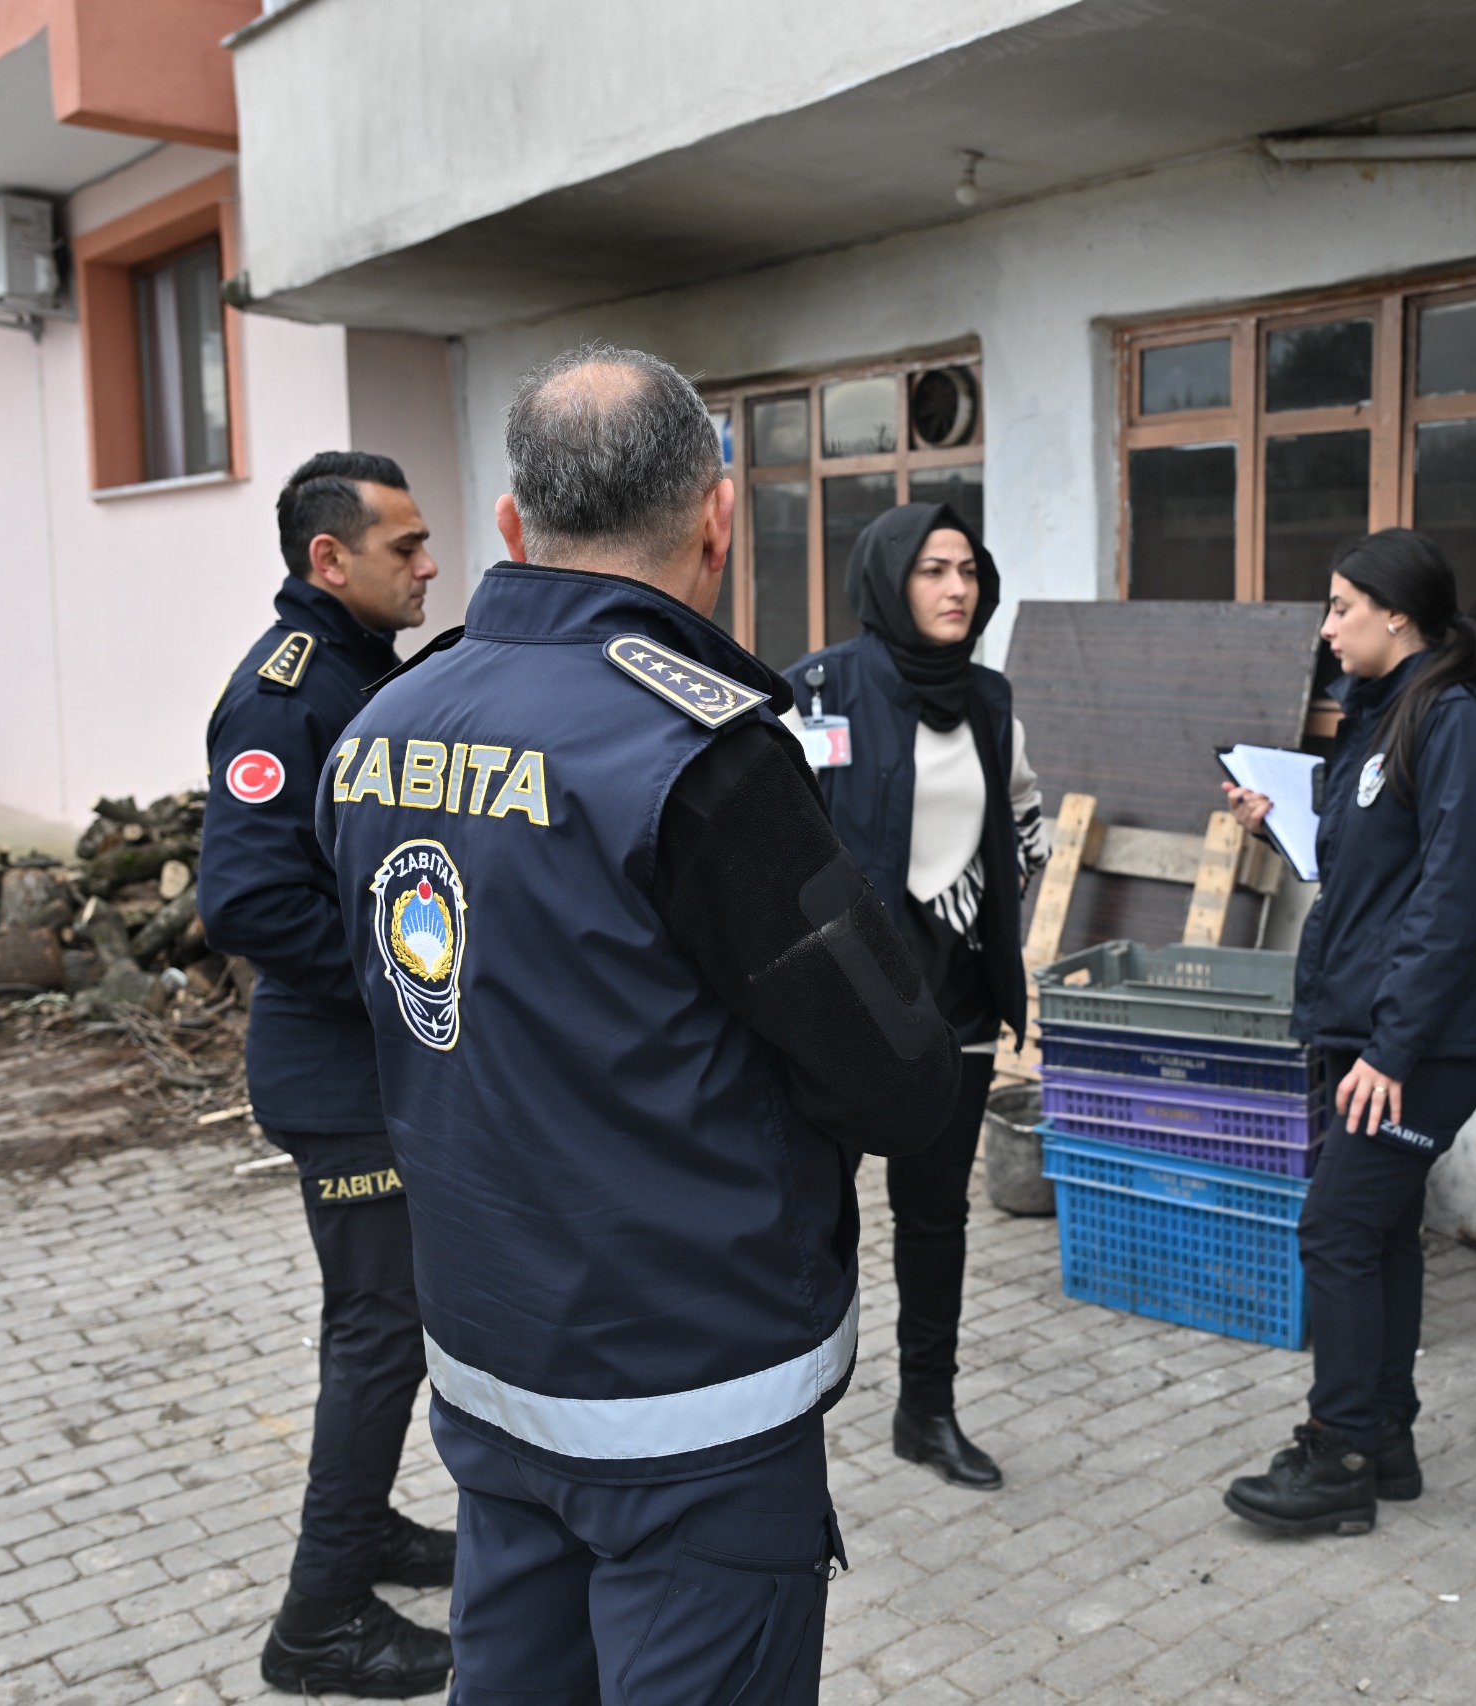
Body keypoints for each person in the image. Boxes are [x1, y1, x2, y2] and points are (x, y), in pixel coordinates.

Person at [318, 343, 960, 1703]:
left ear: (511, 525)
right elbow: (901, 1080)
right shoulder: (704, 753)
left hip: (492, 1364)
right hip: (692, 1393)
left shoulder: (381, 726)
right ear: (717, 517)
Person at [1215, 529, 1476, 1537]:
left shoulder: (1459, 726)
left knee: (1337, 1226)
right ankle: (1383, 1438)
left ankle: (1338, 1452)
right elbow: (1371, 869)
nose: (1325, 626)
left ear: (1397, 613)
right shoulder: (1386, 716)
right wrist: (1279, 821)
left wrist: (1393, 1048)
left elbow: (1452, 899)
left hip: (1419, 1042)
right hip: (1375, 1025)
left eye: (1340, 606)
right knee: (1381, 1227)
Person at [198, 450, 456, 1697]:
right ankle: (321, 1621)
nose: (428, 562)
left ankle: (371, 1531)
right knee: (378, 1332)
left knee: (384, 1331)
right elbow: (246, 899)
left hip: (377, 1068)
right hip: (337, 1079)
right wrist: (408, 976)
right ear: (328, 559)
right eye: (403, 546)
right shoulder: (284, 693)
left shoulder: (363, 670)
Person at [780, 502, 1049, 1491]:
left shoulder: (988, 696)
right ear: (890, 578)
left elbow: (1020, 807)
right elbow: (770, 835)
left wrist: (1001, 893)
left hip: (953, 1005)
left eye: (969, 569)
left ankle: (925, 1411)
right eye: (933, 569)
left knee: (935, 1219)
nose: (955, 587)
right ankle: (781, 1408)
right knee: (807, 1213)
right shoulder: (820, 686)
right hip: (842, 1010)